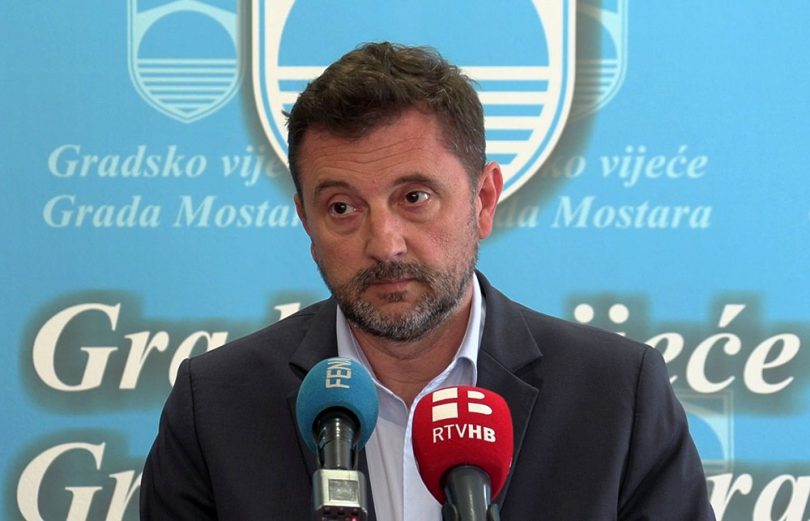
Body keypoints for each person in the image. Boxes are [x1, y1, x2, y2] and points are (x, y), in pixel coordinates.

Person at [140, 42, 715, 520]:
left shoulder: (617, 397)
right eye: (342, 207)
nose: (384, 244)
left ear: (483, 200)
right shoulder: (216, 407)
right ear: (307, 223)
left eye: (414, 197)